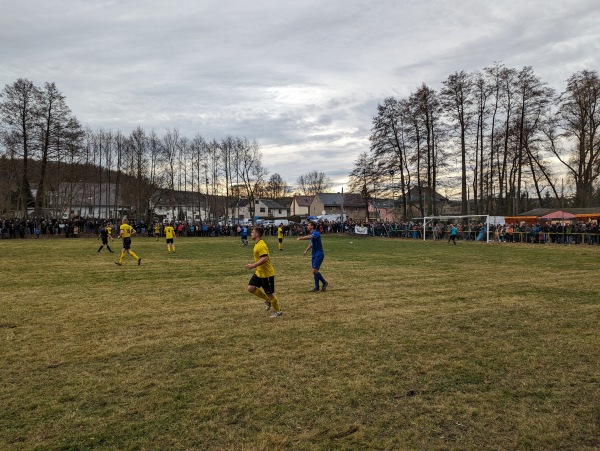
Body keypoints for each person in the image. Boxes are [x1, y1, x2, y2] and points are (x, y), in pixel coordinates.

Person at [245, 226, 282, 317]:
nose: (251, 233)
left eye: (252, 232)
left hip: (267, 274)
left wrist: (253, 265)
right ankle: (267, 300)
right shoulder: (257, 244)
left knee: (270, 294)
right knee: (251, 288)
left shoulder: (261, 245)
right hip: (259, 273)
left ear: (257, 234)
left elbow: (265, 258)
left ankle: (278, 311)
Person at [297, 220, 329, 292]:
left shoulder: (316, 233)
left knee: (314, 271)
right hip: (314, 254)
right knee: (315, 271)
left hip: (319, 254)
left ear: (312, 226)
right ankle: (316, 287)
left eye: (308, 225)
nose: (307, 226)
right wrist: (306, 250)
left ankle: (324, 282)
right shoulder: (312, 234)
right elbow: (311, 244)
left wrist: (301, 238)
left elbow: (309, 237)